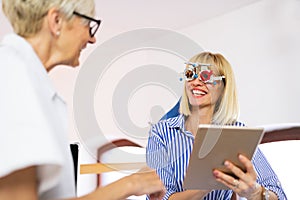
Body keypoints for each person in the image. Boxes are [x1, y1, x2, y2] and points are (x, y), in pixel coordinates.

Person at [0, 0, 165, 199]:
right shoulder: (14, 75)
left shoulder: (26, 77)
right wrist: (131, 184)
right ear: (57, 21)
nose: (92, 38)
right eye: (88, 24)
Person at [146, 52, 287, 199]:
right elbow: (158, 197)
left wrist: (255, 192)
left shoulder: (237, 132)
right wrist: (205, 187)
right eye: (190, 74)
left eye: (206, 76)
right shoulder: (161, 132)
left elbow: (279, 194)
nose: (196, 82)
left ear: (223, 88)